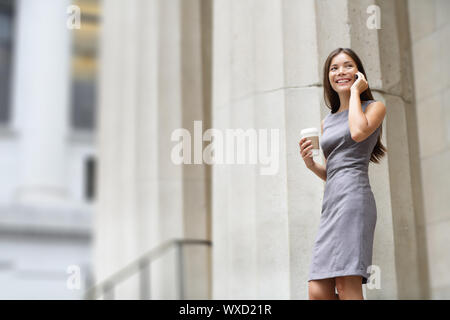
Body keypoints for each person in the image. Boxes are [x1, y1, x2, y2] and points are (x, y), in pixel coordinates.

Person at [299, 48, 387, 300]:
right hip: (331, 204)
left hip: (354, 199)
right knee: (318, 290)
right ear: (329, 77)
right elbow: (332, 171)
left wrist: (356, 94)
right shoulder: (327, 121)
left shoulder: (374, 107)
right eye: (334, 68)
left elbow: (358, 132)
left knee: (346, 285)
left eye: (347, 66)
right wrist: (310, 164)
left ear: (358, 72)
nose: (340, 72)